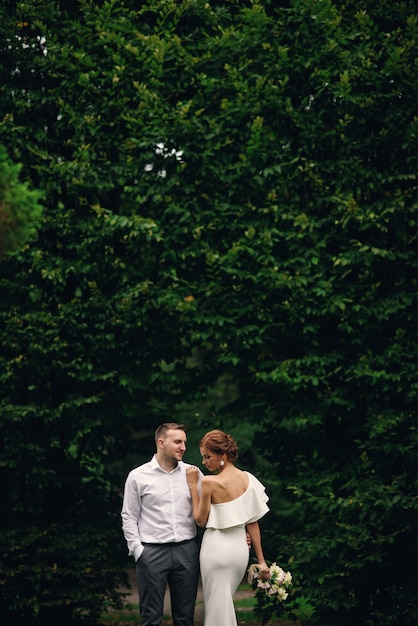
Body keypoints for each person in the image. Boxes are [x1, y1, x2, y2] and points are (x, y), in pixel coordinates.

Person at [121, 422, 203, 626]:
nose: (183, 446)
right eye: (177, 441)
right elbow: (129, 516)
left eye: (184, 442)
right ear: (161, 442)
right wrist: (138, 551)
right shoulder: (138, 476)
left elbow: (211, 508)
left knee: (185, 618)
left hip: (186, 551)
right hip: (151, 553)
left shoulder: (193, 473)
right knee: (150, 618)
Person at [186, 429, 271, 626]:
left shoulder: (209, 482)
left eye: (207, 457)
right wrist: (261, 560)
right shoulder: (247, 479)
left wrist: (192, 486)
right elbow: (253, 522)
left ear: (222, 455)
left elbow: (200, 520)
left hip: (216, 548)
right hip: (240, 550)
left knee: (217, 603)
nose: (204, 462)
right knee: (222, 602)